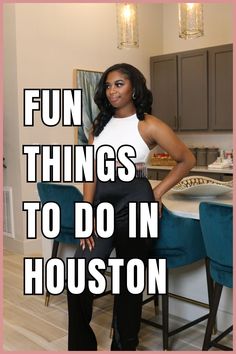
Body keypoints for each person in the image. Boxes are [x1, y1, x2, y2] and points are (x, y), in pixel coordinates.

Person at [67, 63, 195, 351]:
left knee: (129, 281)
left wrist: (158, 192)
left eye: (119, 84)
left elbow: (186, 159)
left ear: (134, 88)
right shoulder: (97, 125)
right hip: (102, 205)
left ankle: (125, 345)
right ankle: (81, 344)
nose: (112, 91)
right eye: (109, 85)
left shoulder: (148, 124)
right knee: (78, 272)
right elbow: (91, 171)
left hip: (136, 203)